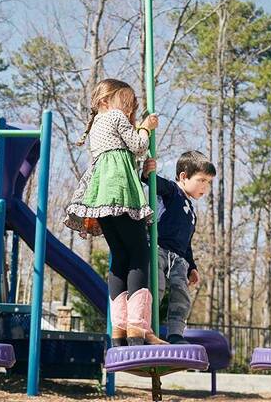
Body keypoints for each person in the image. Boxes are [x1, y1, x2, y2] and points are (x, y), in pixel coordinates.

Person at [65, 78, 164, 346]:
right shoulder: (115, 117)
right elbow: (138, 145)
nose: (129, 108)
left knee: (120, 257)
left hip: (101, 197)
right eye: (126, 102)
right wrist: (145, 127)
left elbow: (127, 155)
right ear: (104, 101)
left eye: (133, 105)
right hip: (119, 191)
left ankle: (119, 331)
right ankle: (138, 328)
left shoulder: (99, 124)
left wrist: (144, 171)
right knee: (139, 254)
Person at [142, 151, 215, 344]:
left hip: (180, 259)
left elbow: (187, 243)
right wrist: (147, 174)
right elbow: (155, 183)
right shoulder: (172, 191)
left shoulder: (191, 211)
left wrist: (192, 267)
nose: (205, 187)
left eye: (208, 182)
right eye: (201, 180)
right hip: (158, 248)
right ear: (184, 176)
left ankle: (176, 334)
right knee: (155, 287)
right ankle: (144, 329)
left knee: (181, 294)